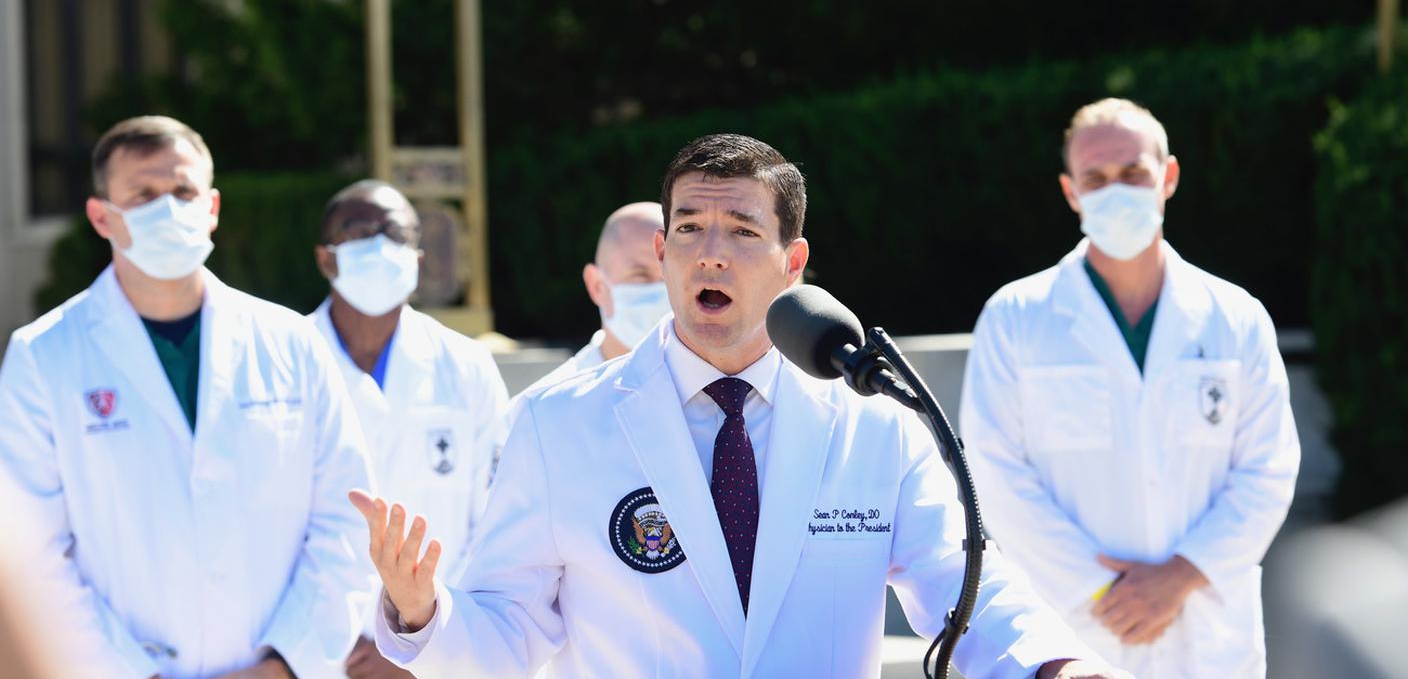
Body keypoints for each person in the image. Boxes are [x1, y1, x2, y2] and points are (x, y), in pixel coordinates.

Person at [351, 134, 1125, 679]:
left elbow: (964, 585)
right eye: (687, 228)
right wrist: (423, 613)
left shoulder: (872, 418)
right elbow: (508, 636)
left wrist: (1058, 665)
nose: (709, 251)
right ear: (662, 255)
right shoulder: (557, 425)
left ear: (793, 264)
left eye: (741, 230)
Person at [0, 116, 374, 679]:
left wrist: (283, 666)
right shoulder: (43, 355)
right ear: (102, 216)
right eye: (143, 195)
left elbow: (345, 522)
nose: (167, 209)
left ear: (212, 208)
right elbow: (30, 554)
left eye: (182, 192)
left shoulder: (292, 343)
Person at [960, 98, 1302, 678]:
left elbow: (1268, 467)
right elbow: (995, 475)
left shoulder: (1235, 316)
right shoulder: (1014, 317)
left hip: (1208, 633)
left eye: (1133, 173)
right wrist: (1101, 592)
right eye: (1095, 178)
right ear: (1071, 192)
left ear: (1167, 177)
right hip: (1074, 633)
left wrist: (1180, 576)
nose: (1114, 190)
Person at [308, 180, 511, 677]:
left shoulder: (467, 365)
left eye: (394, 234)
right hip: (313, 650)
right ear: (326, 258)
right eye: (358, 232)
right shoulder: (285, 361)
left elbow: (494, 520)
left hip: (437, 645)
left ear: (417, 258)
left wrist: (412, 638)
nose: (378, 246)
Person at [532, 201, 669, 389]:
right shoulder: (545, 407)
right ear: (596, 285)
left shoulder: (717, 395)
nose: (663, 289)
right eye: (640, 275)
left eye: (670, 274)